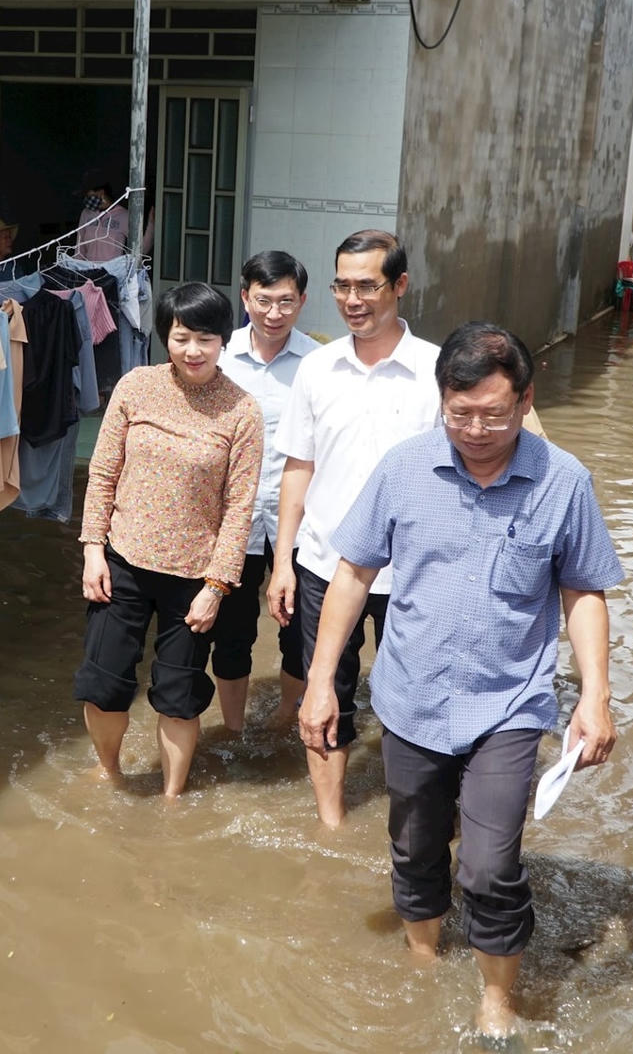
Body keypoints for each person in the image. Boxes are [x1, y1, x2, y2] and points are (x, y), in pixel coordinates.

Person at [301, 322, 623, 1038]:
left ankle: (497, 999)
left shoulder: (561, 480)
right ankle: (422, 957)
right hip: (411, 696)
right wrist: (322, 681)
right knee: (415, 847)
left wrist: (595, 697)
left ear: (526, 400)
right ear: (440, 399)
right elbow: (351, 574)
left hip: (509, 702)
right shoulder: (403, 468)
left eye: (495, 414)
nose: (476, 429)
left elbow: (584, 592)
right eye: (460, 412)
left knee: (488, 864)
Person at [266, 229, 441, 827]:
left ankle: (415, 819)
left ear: (400, 286)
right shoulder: (317, 369)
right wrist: (283, 561)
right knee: (326, 692)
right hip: (324, 563)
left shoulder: (438, 370)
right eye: (342, 285)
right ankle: (333, 824)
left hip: (416, 572)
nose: (352, 299)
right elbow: (299, 467)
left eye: (367, 285)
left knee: (415, 700)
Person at [74, 282, 263, 798]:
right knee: (105, 682)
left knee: (179, 694)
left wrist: (218, 586)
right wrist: (94, 550)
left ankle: (174, 798)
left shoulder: (241, 411)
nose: (193, 350)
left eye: (206, 337)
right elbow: (104, 472)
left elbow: (240, 506)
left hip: (193, 578)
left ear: (225, 340)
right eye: (181, 337)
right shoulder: (136, 387)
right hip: (123, 563)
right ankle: (109, 773)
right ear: (166, 337)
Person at [210, 251, 320, 733]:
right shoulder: (218, 355)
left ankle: (283, 720)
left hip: (301, 518)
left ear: (302, 302)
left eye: (286, 302)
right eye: (263, 301)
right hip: (231, 518)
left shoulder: (319, 364)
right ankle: (232, 727)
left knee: (299, 628)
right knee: (231, 630)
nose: (274, 313)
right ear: (244, 297)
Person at [76, 183, 130, 263]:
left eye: (89, 195)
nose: (87, 199)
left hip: (112, 271)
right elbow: (79, 245)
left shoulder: (124, 215)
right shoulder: (86, 213)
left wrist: (151, 226)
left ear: (101, 193)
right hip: (89, 270)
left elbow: (138, 246)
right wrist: (77, 267)